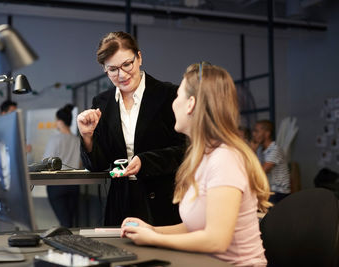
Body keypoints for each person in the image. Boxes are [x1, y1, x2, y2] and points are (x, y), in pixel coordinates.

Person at [121, 63, 271, 267]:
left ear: (191, 104)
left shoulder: (225, 159)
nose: (174, 104)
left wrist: (155, 239)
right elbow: (195, 226)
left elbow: (216, 240)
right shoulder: (203, 157)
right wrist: (151, 230)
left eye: (178, 97)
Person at [77, 31, 186, 226]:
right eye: (113, 69)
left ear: (139, 57)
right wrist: (87, 136)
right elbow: (98, 165)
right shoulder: (102, 102)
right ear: (104, 69)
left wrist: (146, 161)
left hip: (163, 201)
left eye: (127, 64)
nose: (122, 75)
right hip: (121, 203)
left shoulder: (170, 94)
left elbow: (187, 150)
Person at [43, 104, 81, 227]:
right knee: (70, 220)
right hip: (74, 184)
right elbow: (81, 163)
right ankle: (73, 243)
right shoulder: (78, 140)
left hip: (57, 185)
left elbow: (46, 161)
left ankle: (67, 243)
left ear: (60, 122)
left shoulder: (55, 139)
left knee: (65, 222)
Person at [251, 120, 291, 204]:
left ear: (267, 133)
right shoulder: (260, 150)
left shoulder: (275, 149)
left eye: (257, 131)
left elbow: (261, 172)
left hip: (279, 192)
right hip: (269, 190)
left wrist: (251, 153)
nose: (254, 134)